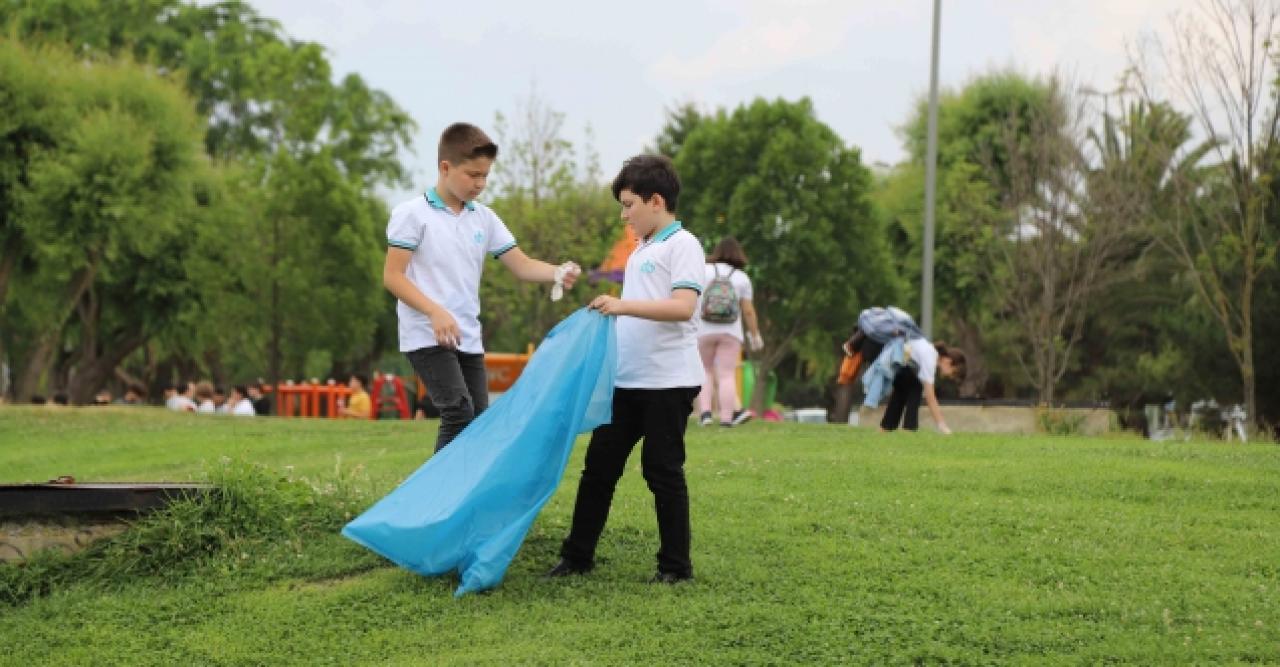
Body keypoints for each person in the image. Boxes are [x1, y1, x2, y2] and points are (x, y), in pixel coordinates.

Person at [547, 155, 704, 584]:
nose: (624, 215)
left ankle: (676, 568)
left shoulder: (682, 244)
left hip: (668, 382)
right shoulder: (642, 249)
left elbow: (683, 306)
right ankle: (576, 558)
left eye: (629, 204)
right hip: (627, 381)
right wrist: (611, 312)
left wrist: (622, 305)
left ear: (656, 201)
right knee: (599, 468)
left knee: (662, 470)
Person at [382, 122, 580, 452]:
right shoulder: (411, 215)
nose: (481, 183)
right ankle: (436, 498)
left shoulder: (484, 218)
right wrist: (434, 311)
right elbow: (393, 276)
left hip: (468, 337)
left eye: (486, 175)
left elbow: (522, 264)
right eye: (473, 175)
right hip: (426, 334)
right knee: (458, 412)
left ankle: (462, 498)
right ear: (445, 168)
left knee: (478, 421)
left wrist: (556, 272)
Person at [847, 309, 966, 434]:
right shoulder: (930, 357)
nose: (949, 376)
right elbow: (930, 397)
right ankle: (907, 429)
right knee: (914, 386)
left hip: (879, 348)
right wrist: (942, 426)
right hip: (878, 348)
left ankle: (886, 429)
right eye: (953, 372)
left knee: (905, 384)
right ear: (949, 361)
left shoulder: (928, 349)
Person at [694, 236, 764, 427]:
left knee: (705, 371)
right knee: (726, 374)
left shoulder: (704, 271)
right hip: (731, 332)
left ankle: (705, 415)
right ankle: (726, 419)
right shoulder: (742, 278)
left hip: (704, 330)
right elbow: (748, 311)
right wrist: (755, 335)